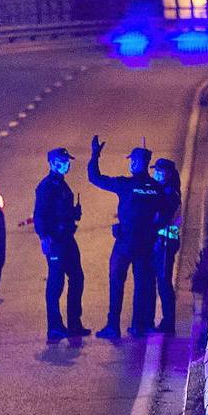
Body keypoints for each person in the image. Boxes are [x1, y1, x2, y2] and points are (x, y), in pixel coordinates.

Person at [87, 135, 163, 339]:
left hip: (125, 243)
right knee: (141, 284)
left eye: (131, 161)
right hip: (146, 243)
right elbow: (165, 214)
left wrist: (95, 155)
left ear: (137, 163)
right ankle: (138, 325)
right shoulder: (157, 189)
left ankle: (113, 326)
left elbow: (95, 177)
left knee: (117, 281)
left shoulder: (125, 184)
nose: (130, 164)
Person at [34, 147, 91, 343]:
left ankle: (74, 323)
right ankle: (55, 327)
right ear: (51, 163)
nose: (65, 165)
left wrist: (74, 213)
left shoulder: (62, 186)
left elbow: (61, 211)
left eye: (67, 162)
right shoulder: (47, 186)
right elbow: (39, 215)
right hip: (56, 241)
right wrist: (43, 237)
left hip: (67, 238)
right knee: (56, 283)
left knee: (77, 278)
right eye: (61, 161)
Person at [151, 158, 182, 334]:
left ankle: (168, 322)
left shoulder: (170, 193)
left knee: (164, 282)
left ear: (168, 173)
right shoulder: (165, 190)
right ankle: (166, 321)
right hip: (163, 242)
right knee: (160, 281)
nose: (156, 174)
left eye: (159, 171)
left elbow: (162, 219)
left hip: (166, 243)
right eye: (155, 170)